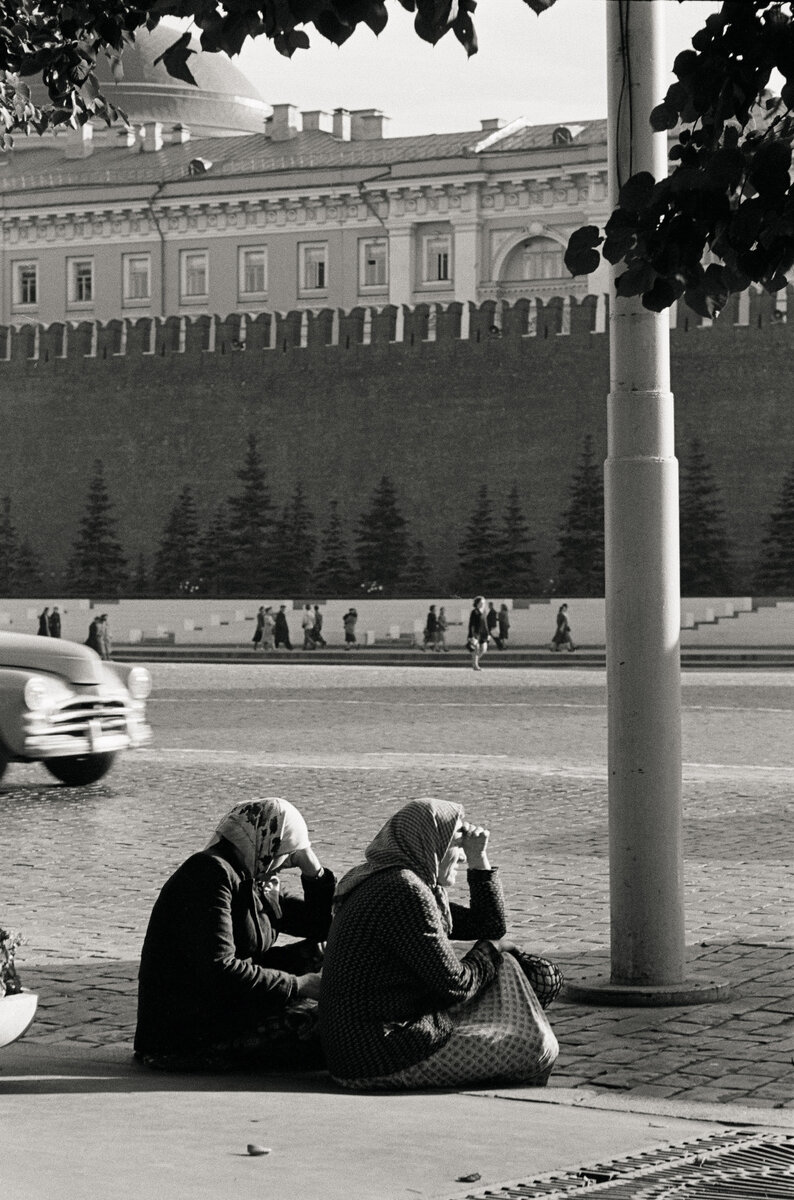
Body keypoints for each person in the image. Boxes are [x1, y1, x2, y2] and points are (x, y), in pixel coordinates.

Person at [320, 798, 559, 1091]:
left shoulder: (388, 880)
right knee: (538, 1047)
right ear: (429, 845)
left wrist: (478, 857)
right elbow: (456, 985)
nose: (460, 858)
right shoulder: (404, 892)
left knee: (507, 967)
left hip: (363, 1048)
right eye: (456, 846)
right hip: (380, 1055)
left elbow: (489, 925)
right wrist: (492, 951)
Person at [135, 797, 336, 1073]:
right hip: (188, 1035)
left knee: (322, 952)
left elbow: (322, 926)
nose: (286, 863)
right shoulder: (208, 873)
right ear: (269, 842)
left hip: (224, 1011)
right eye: (287, 853)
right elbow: (220, 970)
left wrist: (313, 870)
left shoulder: (251, 880)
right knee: (333, 1032)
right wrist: (299, 985)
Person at [467, 596, 490, 671]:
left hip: (483, 632)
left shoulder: (484, 611)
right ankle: (475, 665)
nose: (483, 604)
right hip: (476, 633)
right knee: (476, 649)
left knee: (483, 649)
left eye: (483, 602)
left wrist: (488, 633)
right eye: (481, 602)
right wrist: (471, 635)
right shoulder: (474, 612)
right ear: (477, 603)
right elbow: (471, 624)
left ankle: (474, 661)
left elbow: (485, 623)